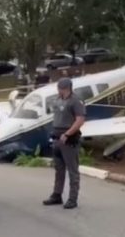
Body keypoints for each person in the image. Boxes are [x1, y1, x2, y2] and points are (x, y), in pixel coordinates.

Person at [43, 77, 86, 209]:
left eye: (60, 88)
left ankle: (73, 198)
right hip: (57, 138)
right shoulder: (57, 99)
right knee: (59, 169)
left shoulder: (76, 101)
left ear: (66, 88)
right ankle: (57, 194)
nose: (58, 90)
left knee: (72, 170)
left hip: (68, 138)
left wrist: (68, 133)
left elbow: (80, 120)